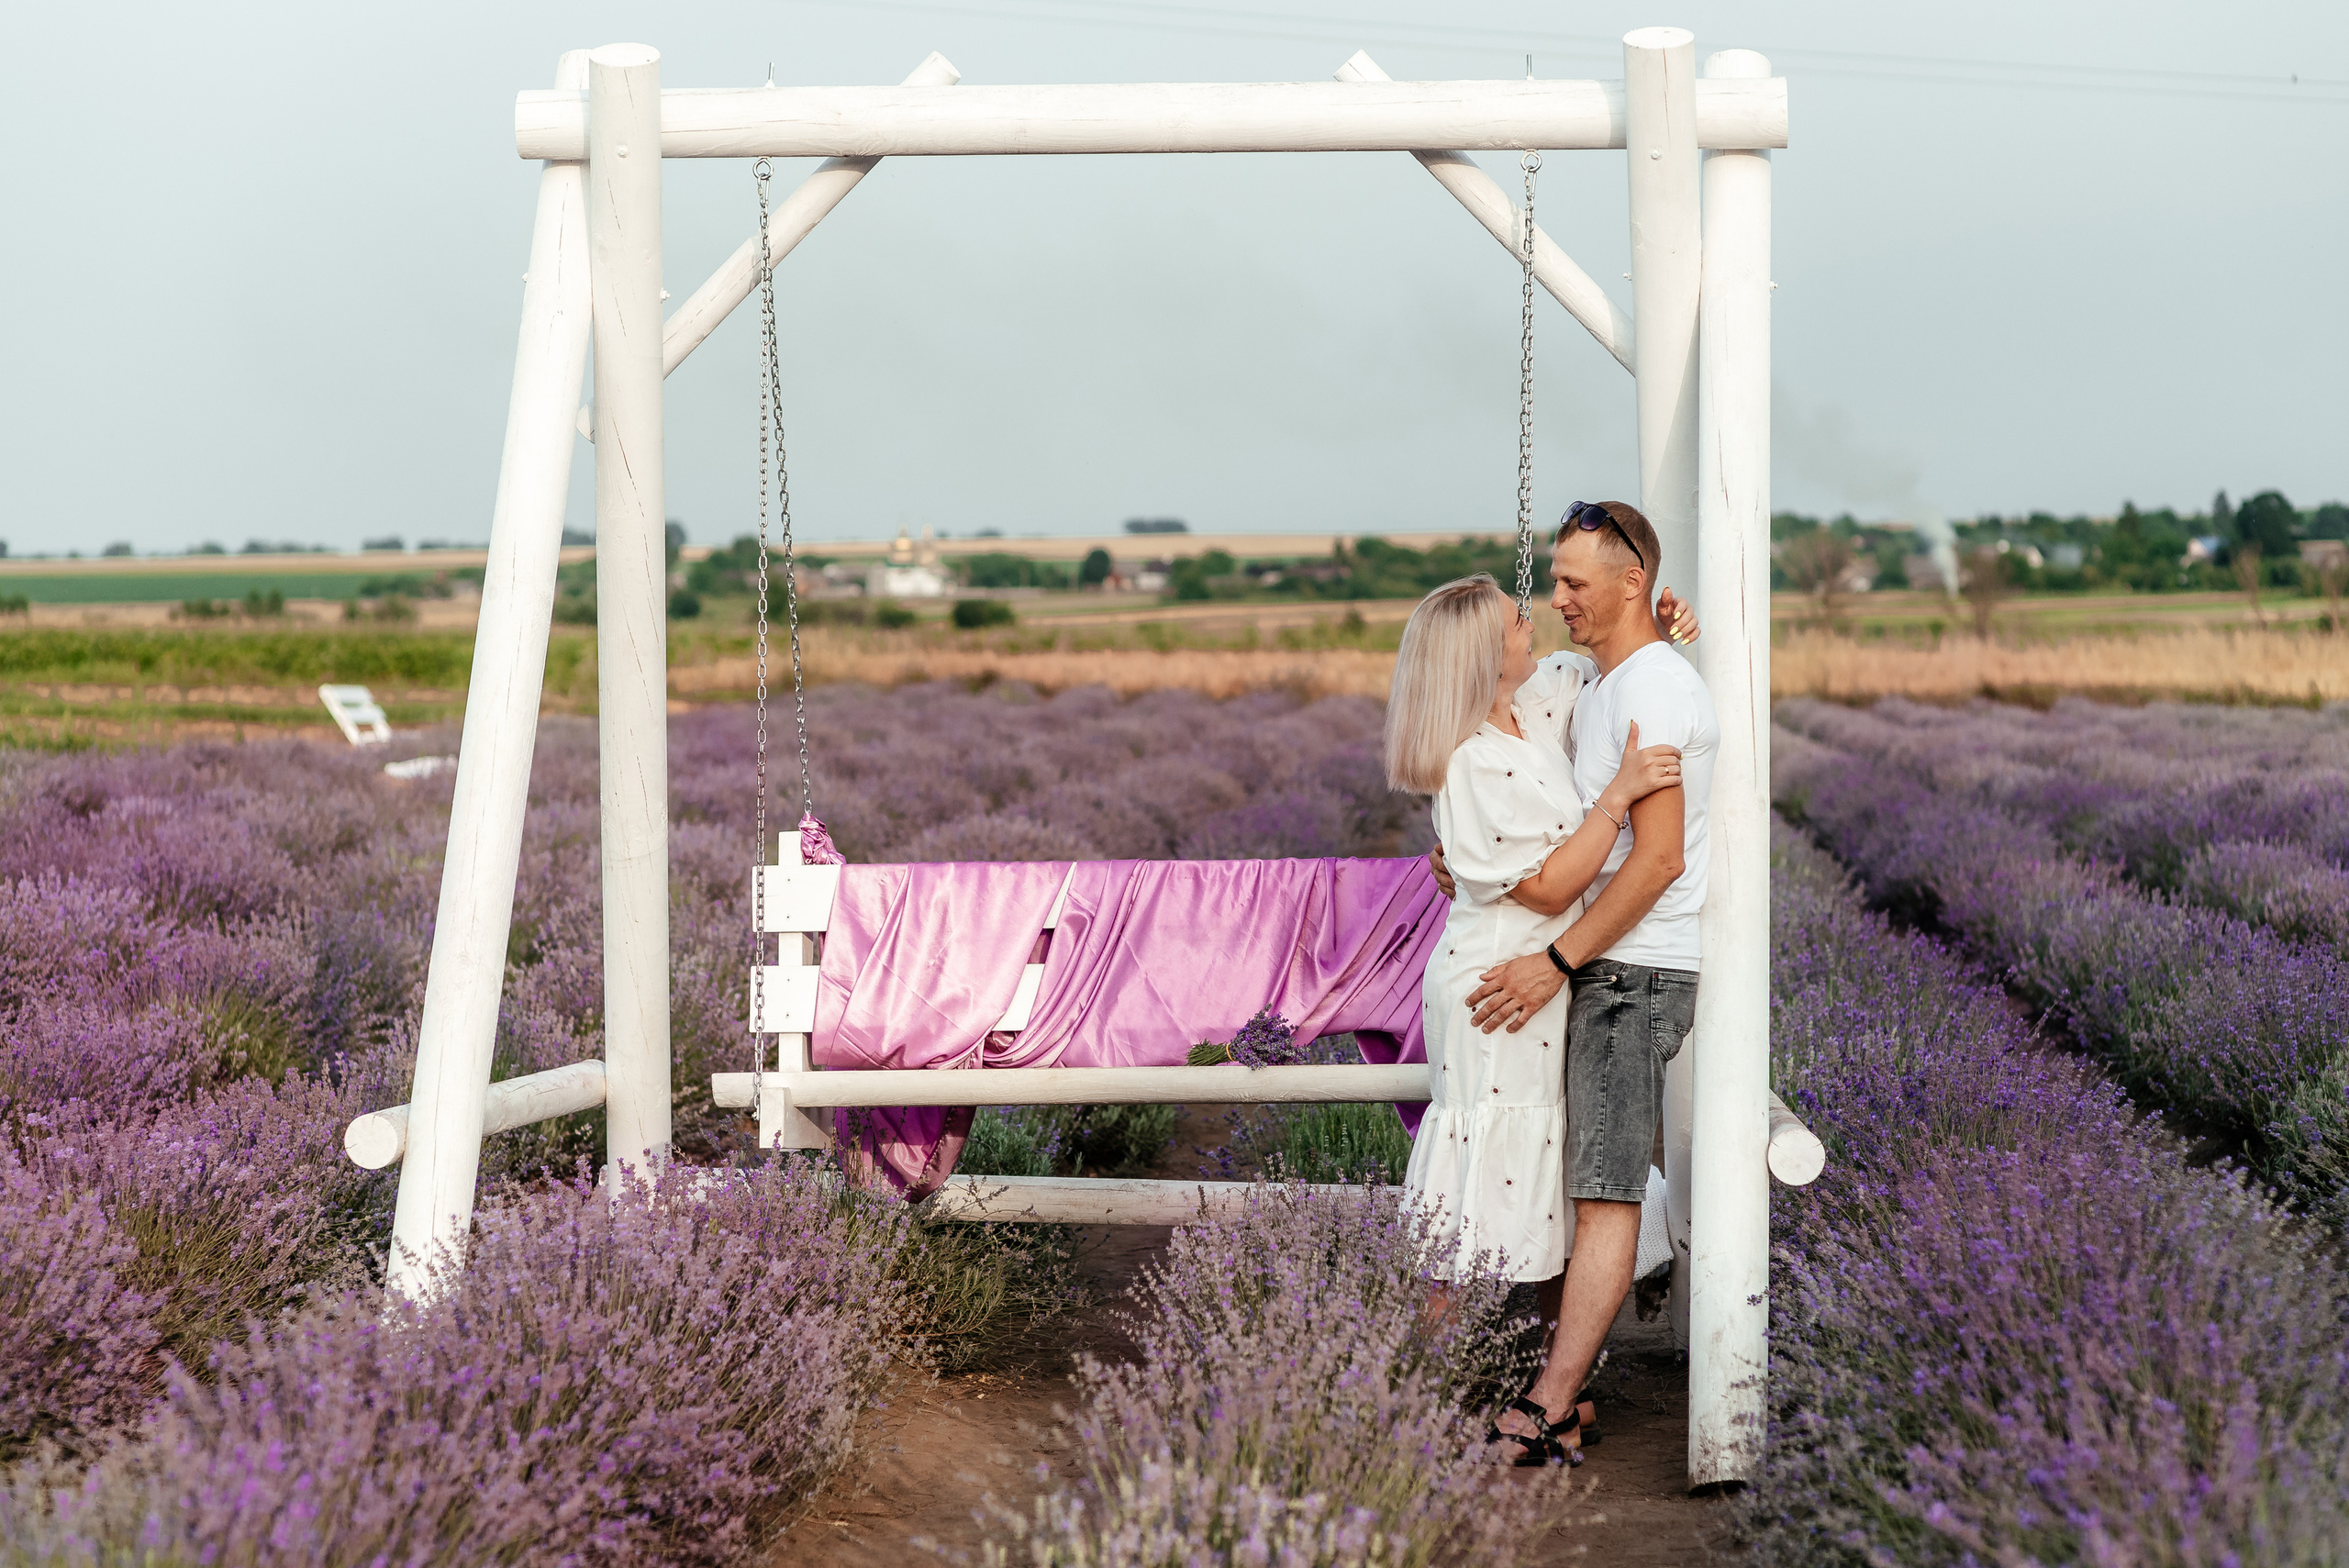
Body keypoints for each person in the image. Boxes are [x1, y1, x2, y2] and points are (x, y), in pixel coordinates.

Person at [1431, 499, 1719, 1466]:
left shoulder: (1653, 693)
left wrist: (1555, 960)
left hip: (1628, 966)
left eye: (1571, 582)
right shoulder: (1601, 681)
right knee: (1582, 1180)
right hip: (1603, 957)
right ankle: (1571, 1390)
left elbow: (1659, 859)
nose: (1554, 601)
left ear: (1630, 578)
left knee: (1600, 1193)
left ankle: (1548, 1403)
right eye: (1550, 585)